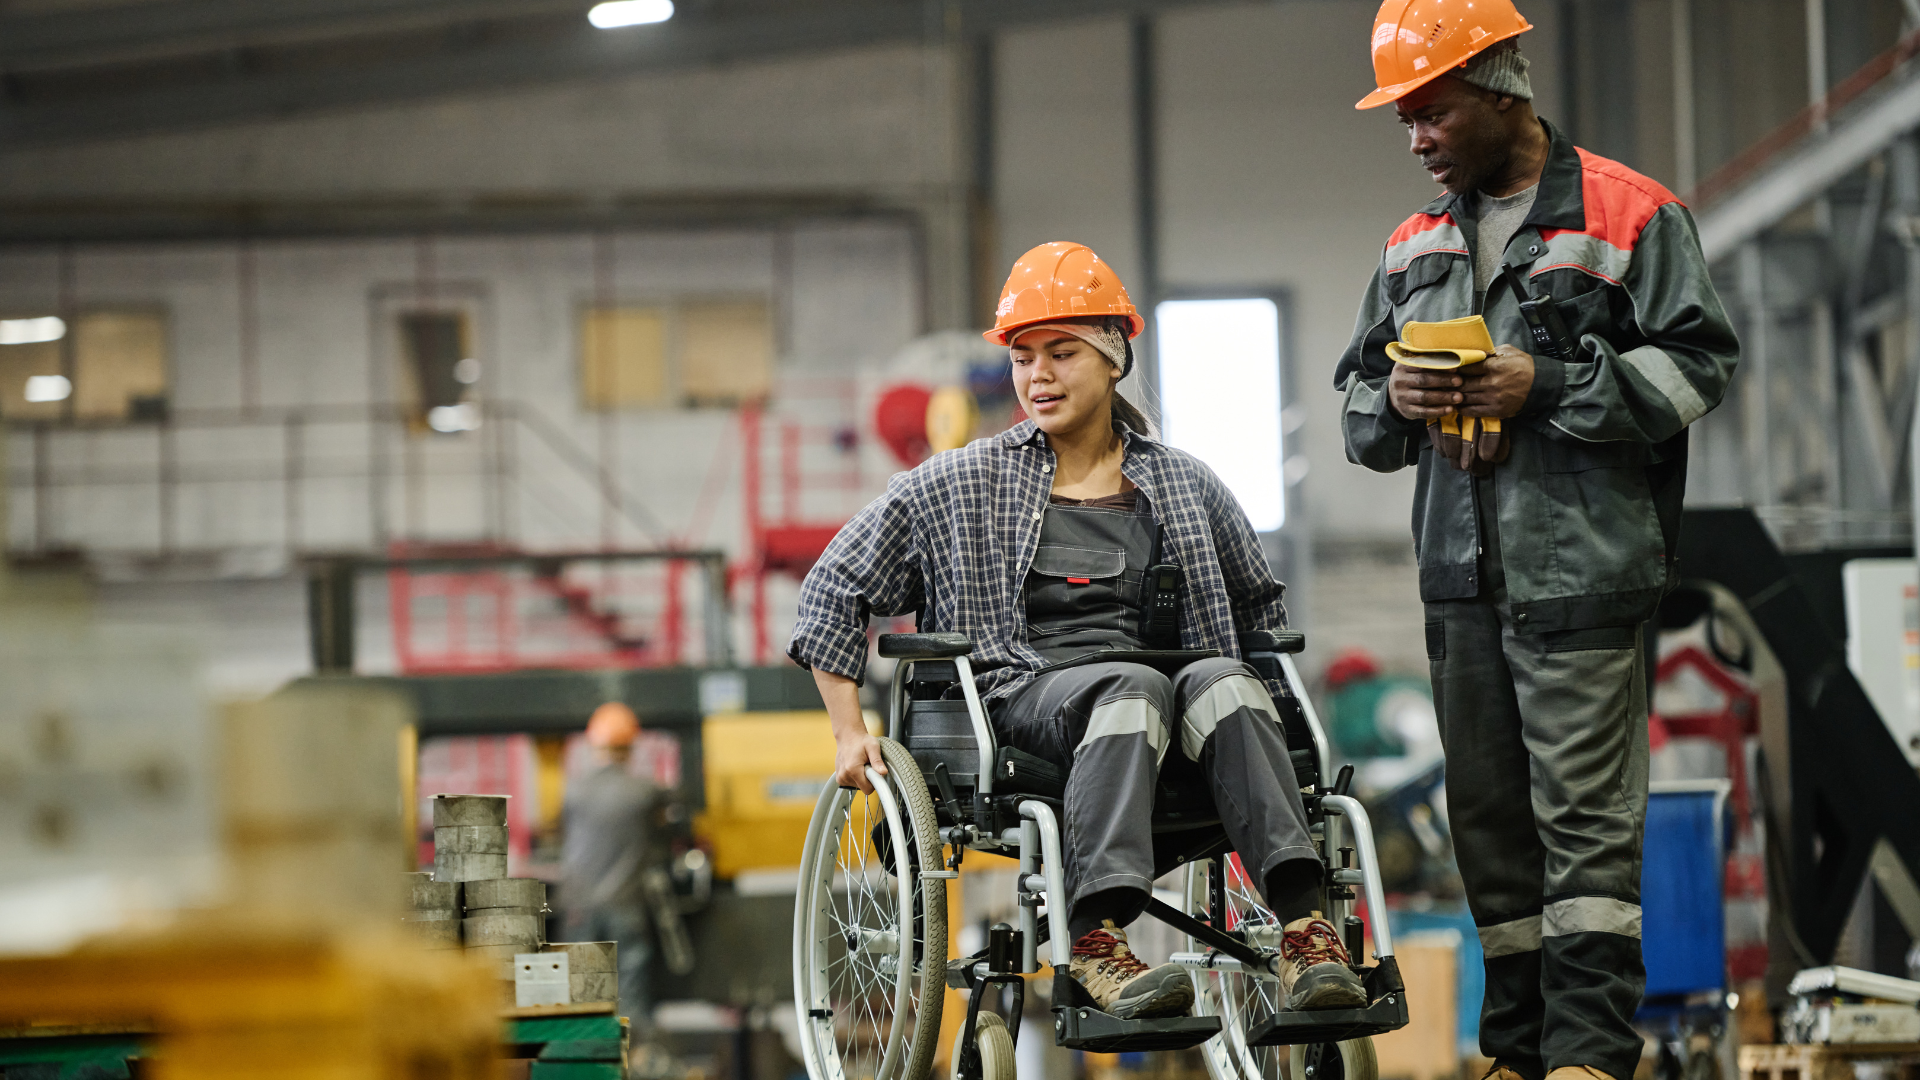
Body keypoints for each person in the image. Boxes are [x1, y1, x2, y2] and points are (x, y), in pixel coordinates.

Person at [790, 241, 1362, 1021]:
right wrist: (846, 730)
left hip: (1168, 691)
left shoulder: (1185, 483)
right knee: (1131, 687)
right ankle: (1095, 939)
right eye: (1023, 357)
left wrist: (1288, 731)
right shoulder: (961, 481)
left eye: (1062, 353)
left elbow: (1260, 611)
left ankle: (1304, 929)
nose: (1039, 376)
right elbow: (832, 587)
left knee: (1228, 679)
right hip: (1021, 695)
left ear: (1114, 357)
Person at [1338, 4, 1740, 1079]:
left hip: (1584, 579)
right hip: (1460, 585)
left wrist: (1547, 381)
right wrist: (1400, 395)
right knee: (1491, 836)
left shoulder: (1629, 216)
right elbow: (1358, 416)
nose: (1416, 138)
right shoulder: (1412, 243)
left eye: (1433, 111)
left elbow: (1698, 368)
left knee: (1586, 835)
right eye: (1405, 120)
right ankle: (1517, 1051)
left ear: (1502, 84)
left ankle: (1592, 1057)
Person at [561, 701, 662, 1033]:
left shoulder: (574, 791)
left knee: (582, 993)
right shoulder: (644, 792)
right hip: (626, 903)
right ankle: (634, 1058)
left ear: (593, 746)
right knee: (630, 990)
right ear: (631, 747)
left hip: (580, 905)